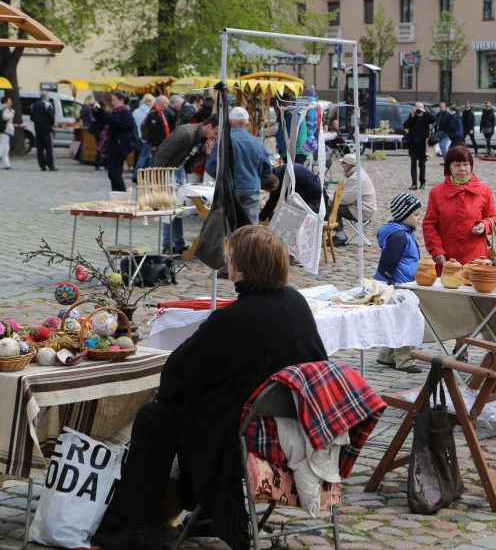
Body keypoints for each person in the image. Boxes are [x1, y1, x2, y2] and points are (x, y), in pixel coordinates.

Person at [93, 225, 328, 550]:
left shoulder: (233, 320)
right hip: (302, 432)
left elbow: (175, 375)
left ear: (242, 269)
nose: (228, 261)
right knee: (191, 410)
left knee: (154, 417)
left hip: (253, 439)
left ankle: (139, 526)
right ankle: (200, 514)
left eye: (232, 257)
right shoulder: (296, 303)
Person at [154, 109, 218, 253]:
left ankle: (178, 243)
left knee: (178, 210)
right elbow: (162, 154)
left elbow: (190, 164)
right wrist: (157, 179)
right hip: (168, 171)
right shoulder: (186, 132)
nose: (215, 137)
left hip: (179, 170)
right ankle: (166, 245)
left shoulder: (200, 137)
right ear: (209, 126)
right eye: (215, 133)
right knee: (169, 210)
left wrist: (205, 154)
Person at [423, 145, 496, 264]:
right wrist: (437, 251)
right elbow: (429, 225)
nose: (462, 168)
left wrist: (484, 225)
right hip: (447, 259)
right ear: (449, 168)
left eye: (466, 164)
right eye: (457, 165)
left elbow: (493, 218)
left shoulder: (484, 190)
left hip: (477, 259)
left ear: (471, 166)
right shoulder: (436, 193)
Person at [374, 193, 423, 374]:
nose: (419, 219)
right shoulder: (399, 236)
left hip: (403, 284)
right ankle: (405, 360)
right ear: (404, 215)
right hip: (398, 286)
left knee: (396, 320)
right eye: (416, 215)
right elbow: (387, 263)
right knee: (406, 320)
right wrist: (386, 284)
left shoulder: (404, 233)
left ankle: (386, 355)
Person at [206, 107, 272, 224]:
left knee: (231, 227)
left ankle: (233, 242)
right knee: (250, 229)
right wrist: (255, 177)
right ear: (247, 123)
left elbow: (211, 168)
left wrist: (224, 179)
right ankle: (249, 243)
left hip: (230, 190)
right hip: (251, 188)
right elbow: (267, 170)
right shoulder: (257, 142)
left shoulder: (224, 141)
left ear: (231, 122)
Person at [92, 90, 135, 192]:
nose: (112, 102)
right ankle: (117, 195)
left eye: (114, 100)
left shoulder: (125, 112)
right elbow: (106, 119)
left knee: (115, 174)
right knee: (112, 174)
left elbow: (113, 120)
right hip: (114, 146)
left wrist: (100, 110)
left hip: (120, 147)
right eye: (112, 100)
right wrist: (96, 111)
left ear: (121, 100)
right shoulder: (117, 112)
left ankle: (121, 196)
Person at [333, 153, 377, 246]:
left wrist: (331, 196)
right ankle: (339, 234)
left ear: (348, 165)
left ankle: (340, 236)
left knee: (330, 206)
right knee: (332, 204)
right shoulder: (357, 173)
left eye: (343, 163)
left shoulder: (356, 178)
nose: (342, 166)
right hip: (361, 207)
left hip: (362, 211)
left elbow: (343, 200)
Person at [259, 162, 324, 223]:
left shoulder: (288, 176)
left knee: (279, 218)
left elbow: (274, 200)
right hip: (307, 200)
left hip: (317, 203)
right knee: (275, 216)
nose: (272, 192)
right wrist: (260, 218)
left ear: (276, 185)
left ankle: (285, 235)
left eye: (271, 191)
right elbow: (272, 201)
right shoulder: (275, 175)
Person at [404, 102, 435, 190]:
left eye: (420, 108)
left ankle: (422, 183)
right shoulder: (412, 116)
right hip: (413, 143)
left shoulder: (426, 116)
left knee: (422, 164)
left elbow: (434, 119)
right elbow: (405, 125)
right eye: (417, 108)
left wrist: (424, 111)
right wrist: (412, 116)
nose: (418, 110)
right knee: (413, 163)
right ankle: (414, 184)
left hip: (422, 144)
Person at [30, 91, 56, 171]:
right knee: (49, 148)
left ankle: (42, 166)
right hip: (47, 128)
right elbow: (51, 117)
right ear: (45, 97)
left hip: (37, 128)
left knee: (40, 148)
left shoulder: (34, 105)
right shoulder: (48, 105)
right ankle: (50, 165)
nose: (49, 97)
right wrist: (51, 123)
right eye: (48, 96)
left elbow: (32, 117)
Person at [0, 97, 14, 169]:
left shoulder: (3, 108)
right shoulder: (6, 109)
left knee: (6, 148)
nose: (11, 102)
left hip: (4, 130)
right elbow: (5, 117)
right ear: (5, 102)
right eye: (9, 101)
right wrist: (12, 113)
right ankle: (6, 164)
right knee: (3, 147)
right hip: (5, 130)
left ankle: (6, 164)